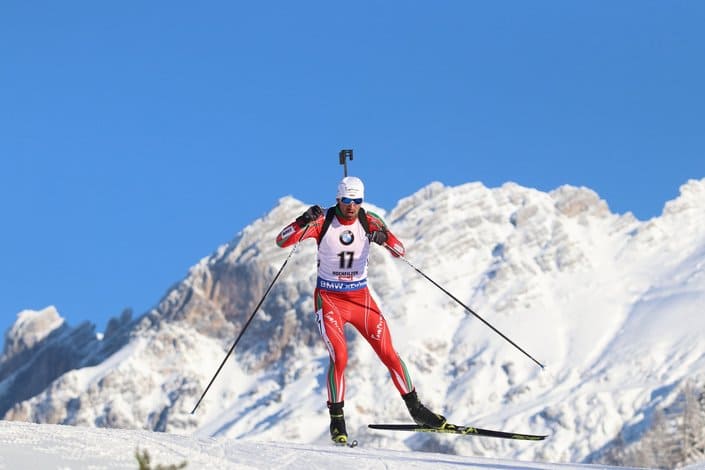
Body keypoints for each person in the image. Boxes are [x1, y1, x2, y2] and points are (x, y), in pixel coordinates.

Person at [276, 176, 446, 444]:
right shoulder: (322, 221)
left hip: (360, 299)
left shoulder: (370, 220)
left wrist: (383, 238)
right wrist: (302, 220)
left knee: (389, 353)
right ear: (337, 199)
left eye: (357, 201)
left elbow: (400, 251)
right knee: (340, 357)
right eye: (346, 201)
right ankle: (337, 421)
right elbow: (281, 241)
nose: (352, 206)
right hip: (330, 299)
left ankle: (417, 410)